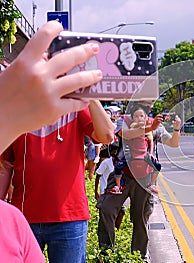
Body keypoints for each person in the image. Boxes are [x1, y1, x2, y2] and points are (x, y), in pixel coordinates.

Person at [0, 21, 107, 262]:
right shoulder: (20, 110)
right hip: (24, 214)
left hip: (69, 217)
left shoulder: (77, 106)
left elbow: (106, 135)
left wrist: (87, 93)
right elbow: (6, 164)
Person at [97, 101, 181, 261]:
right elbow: (124, 134)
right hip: (122, 175)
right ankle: (106, 253)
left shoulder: (155, 124)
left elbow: (173, 143)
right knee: (107, 209)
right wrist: (149, 128)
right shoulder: (124, 120)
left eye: (150, 101)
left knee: (141, 217)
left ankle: (139, 256)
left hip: (144, 178)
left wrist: (176, 128)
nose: (148, 103)